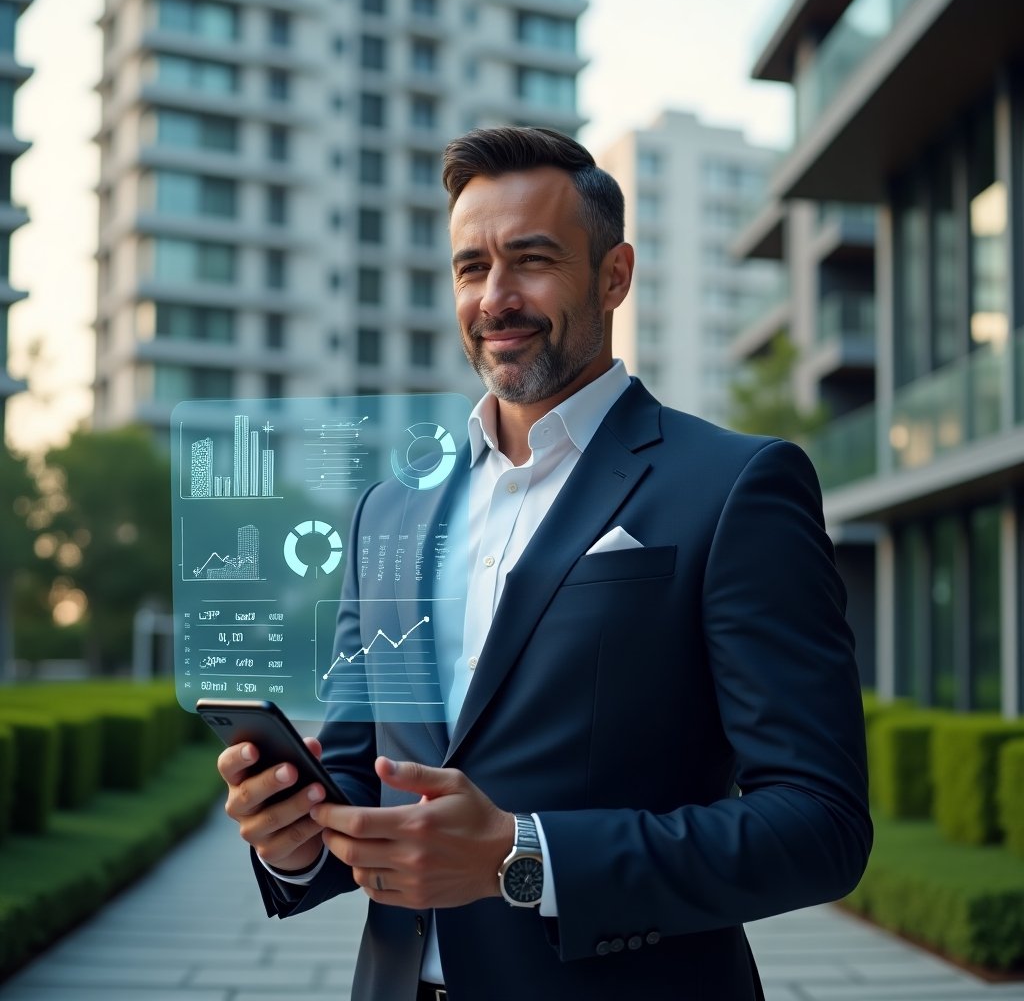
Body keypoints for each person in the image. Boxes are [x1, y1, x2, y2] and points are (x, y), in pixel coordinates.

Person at [216, 126, 871, 1001]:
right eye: (470, 268)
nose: (496, 298)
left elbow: (821, 826)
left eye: (531, 260)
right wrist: (295, 838)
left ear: (614, 275)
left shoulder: (735, 486)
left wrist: (523, 857)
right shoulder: (389, 511)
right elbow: (364, 779)